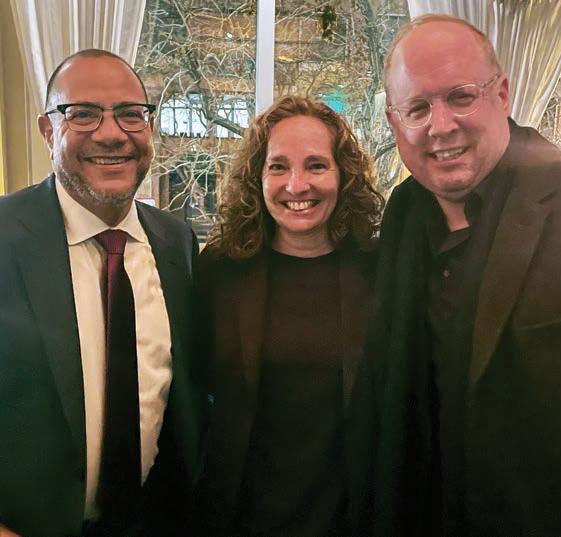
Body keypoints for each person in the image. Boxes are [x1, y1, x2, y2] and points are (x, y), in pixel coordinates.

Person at [350, 14, 561, 537]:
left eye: (461, 97)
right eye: (418, 109)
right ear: (395, 124)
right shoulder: (402, 216)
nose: (441, 126)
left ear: (503, 94)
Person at [0, 50, 206, 537]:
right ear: (48, 131)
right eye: (83, 114)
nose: (112, 134)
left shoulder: (176, 242)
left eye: (131, 114)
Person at [194, 95, 383, 537]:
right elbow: (195, 389)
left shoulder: (381, 271)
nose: (297, 185)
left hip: (353, 518)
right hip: (239, 516)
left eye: (316, 165)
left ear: (344, 175)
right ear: (257, 177)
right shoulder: (219, 270)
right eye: (278, 166)